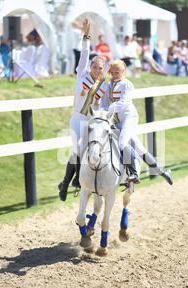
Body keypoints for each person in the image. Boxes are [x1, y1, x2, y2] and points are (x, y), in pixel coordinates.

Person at [58, 19, 108, 201]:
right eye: (94, 66)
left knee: (93, 151)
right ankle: (65, 183)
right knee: (78, 150)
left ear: (102, 70)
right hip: (78, 119)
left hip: (90, 121)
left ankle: (83, 181)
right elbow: (85, 53)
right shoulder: (82, 74)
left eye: (99, 68)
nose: (96, 69)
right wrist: (86, 35)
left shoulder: (103, 86)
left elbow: (102, 107)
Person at [100, 60, 173, 185]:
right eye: (112, 72)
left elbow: (124, 102)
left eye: (117, 72)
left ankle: (133, 172)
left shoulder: (127, 84)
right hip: (116, 120)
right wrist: (102, 112)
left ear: (123, 71)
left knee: (122, 143)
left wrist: (109, 110)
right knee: (139, 148)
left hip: (129, 117)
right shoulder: (108, 86)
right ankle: (162, 171)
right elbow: (104, 102)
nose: (114, 74)